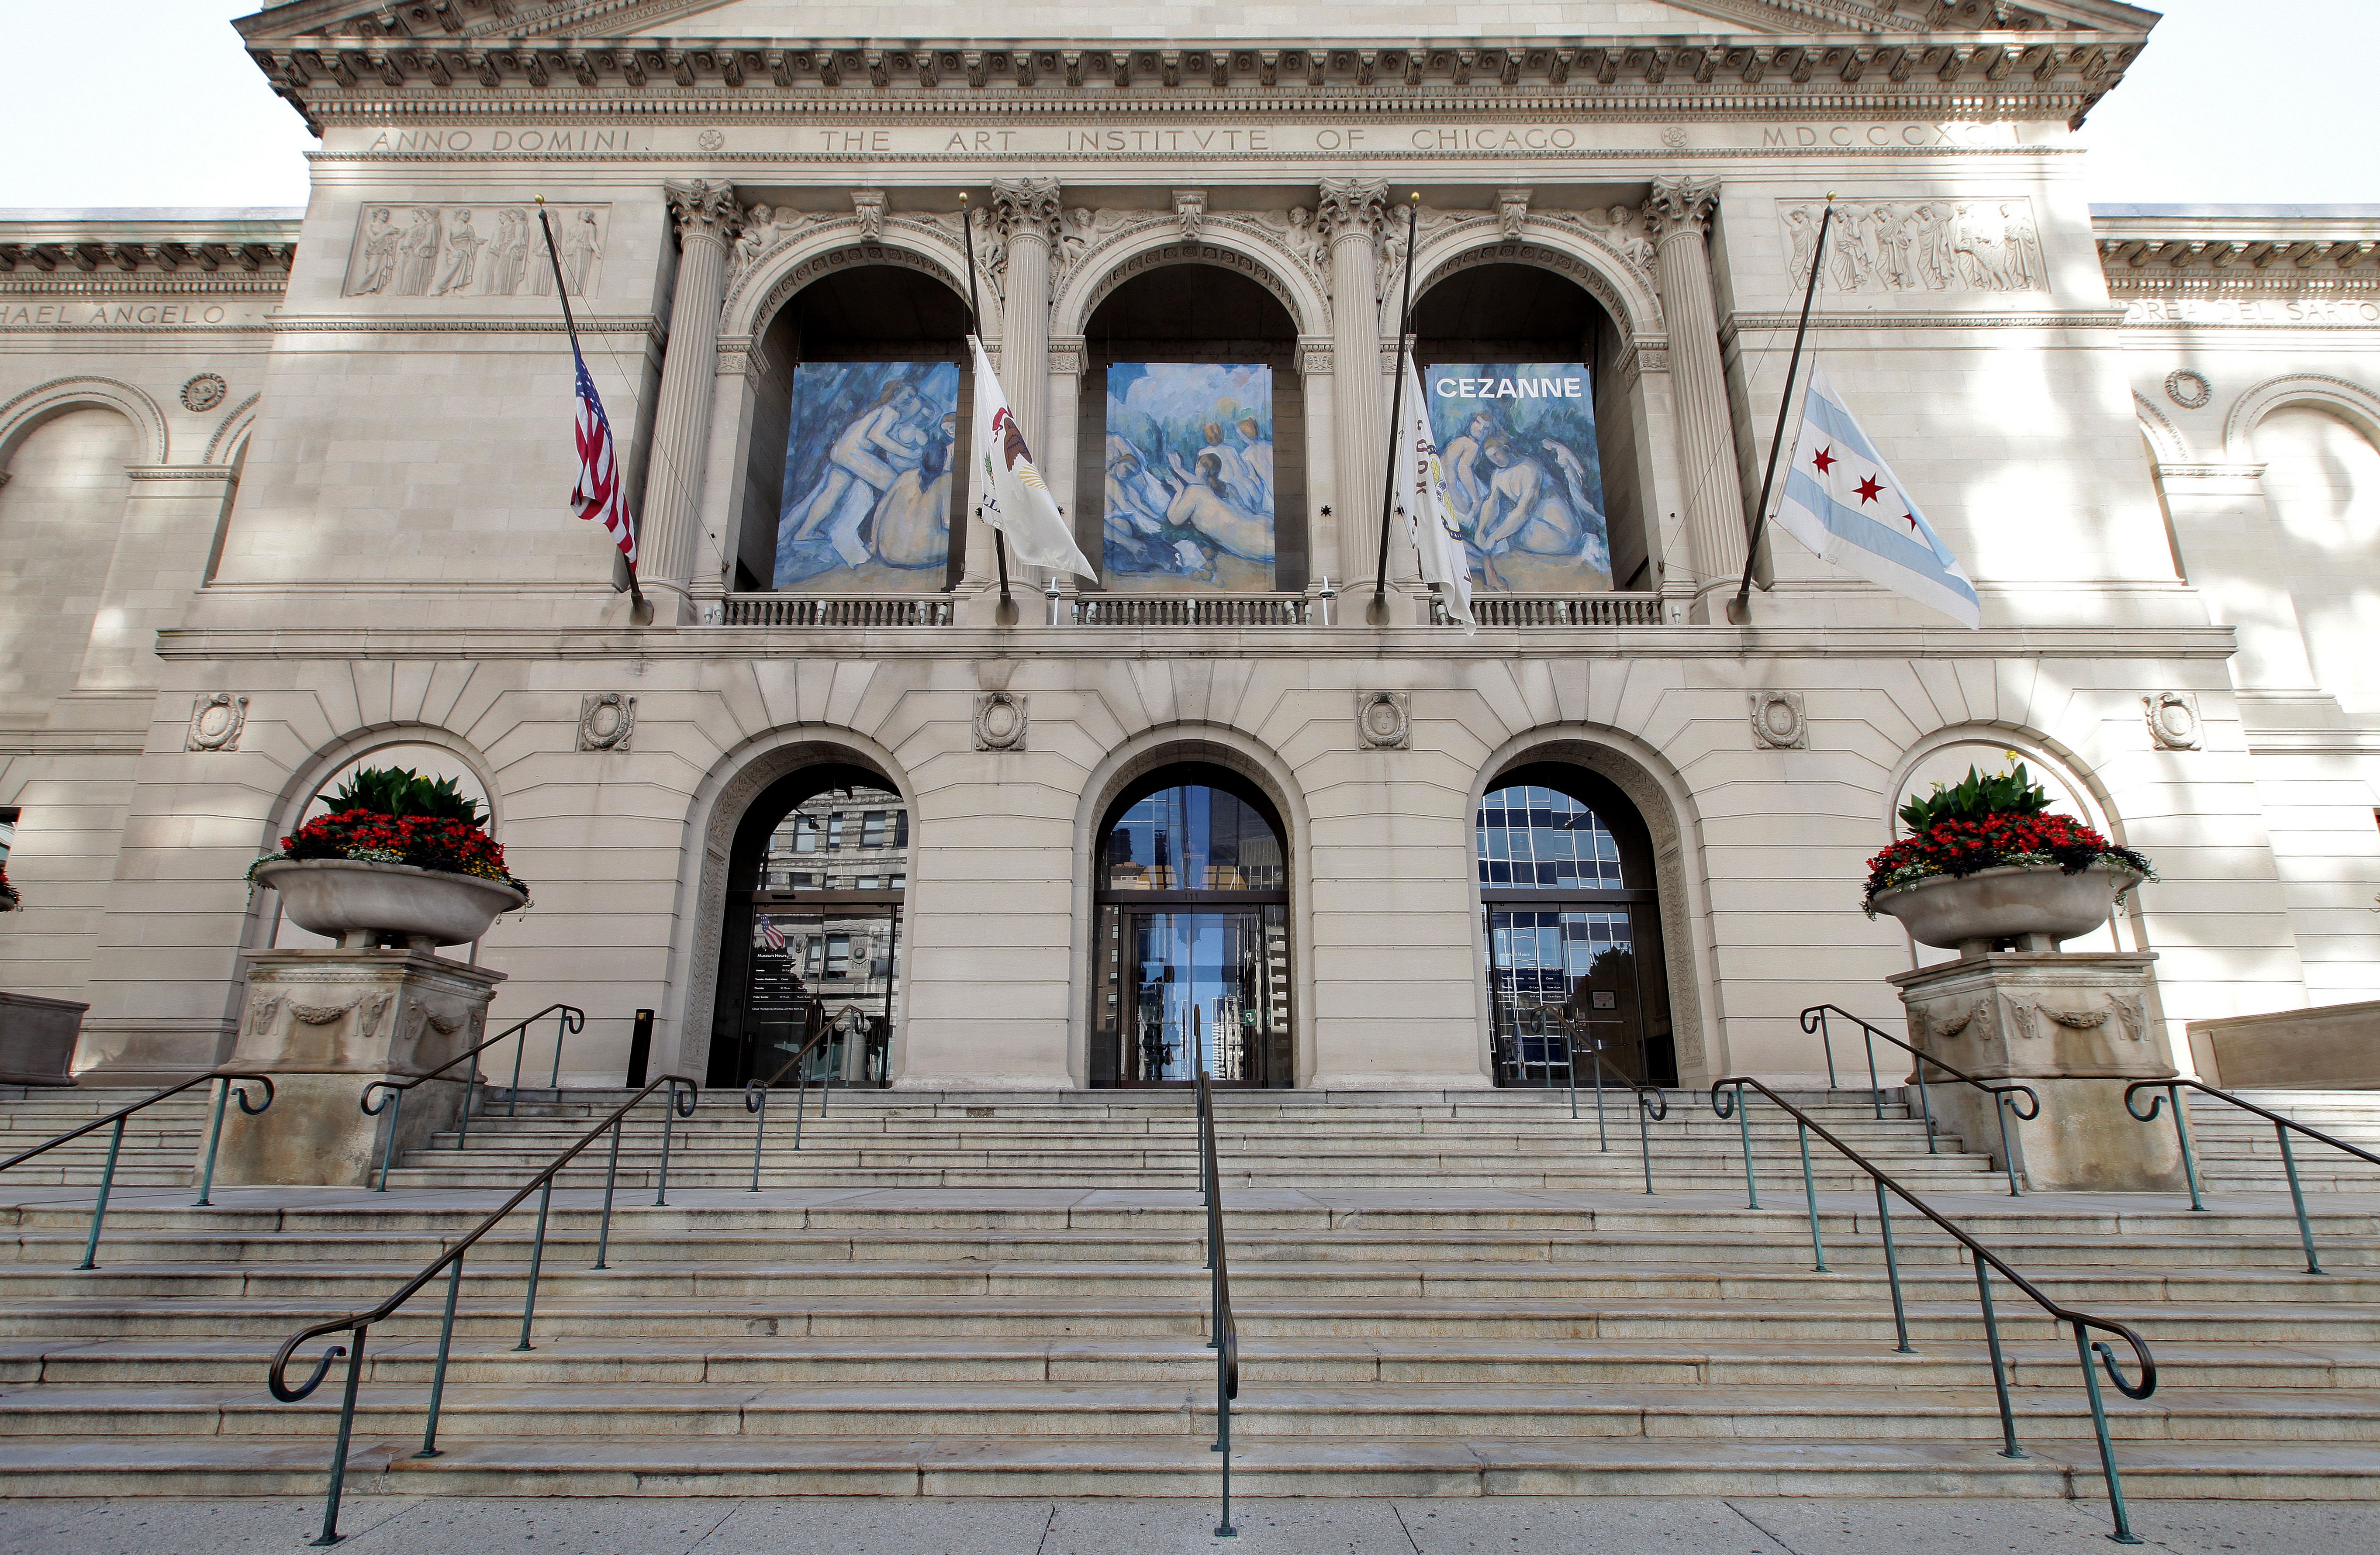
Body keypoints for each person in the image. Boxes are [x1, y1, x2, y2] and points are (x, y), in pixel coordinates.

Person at [781, 380, 930, 572]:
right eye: (907, 396)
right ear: (896, 393)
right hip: (854, 454)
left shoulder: (881, 410)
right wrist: (909, 453)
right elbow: (876, 437)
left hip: (841, 451)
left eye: (912, 398)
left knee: (831, 494)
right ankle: (886, 539)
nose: (909, 401)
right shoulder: (890, 412)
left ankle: (804, 532)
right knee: (896, 486)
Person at [1471, 437, 1586, 590]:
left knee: (1502, 536)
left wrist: (1494, 536)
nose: (1495, 461)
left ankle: (1489, 572)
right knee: (1494, 532)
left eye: (1497, 455)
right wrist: (1481, 529)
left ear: (1506, 449)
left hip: (1560, 533)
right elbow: (1491, 503)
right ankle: (1490, 573)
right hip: (1535, 526)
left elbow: (1524, 510)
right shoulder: (1498, 474)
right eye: (1490, 457)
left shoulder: (1530, 468)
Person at [871, 410, 956, 570]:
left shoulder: (905, 476)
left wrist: (874, 547)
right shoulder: (947, 480)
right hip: (919, 554)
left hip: (888, 552)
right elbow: (947, 521)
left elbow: (881, 509)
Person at [430, 209, 483, 295]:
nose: (467, 216)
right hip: (455, 251)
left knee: (460, 271)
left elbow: (473, 238)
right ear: (458, 214)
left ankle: (451, 290)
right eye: (465, 214)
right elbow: (446, 241)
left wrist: (479, 240)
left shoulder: (468, 227)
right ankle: (440, 287)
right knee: (452, 270)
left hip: (465, 250)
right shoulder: (451, 226)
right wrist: (453, 251)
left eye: (468, 214)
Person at [351, 208, 399, 294]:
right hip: (375, 252)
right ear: (377, 214)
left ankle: (372, 290)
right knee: (372, 272)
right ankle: (360, 290)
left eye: (387, 214)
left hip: (385, 253)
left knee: (380, 273)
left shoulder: (388, 227)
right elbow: (374, 239)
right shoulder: (370, 226)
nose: (386, 215)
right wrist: (387, 232)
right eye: (384, 213)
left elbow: (394, 239)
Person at [394, 207, 441, 296]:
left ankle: (410, 291)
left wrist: (419, 248)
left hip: (422, 252)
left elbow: (429, 240)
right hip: (418, 251)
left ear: (430, 214)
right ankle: (408, 291)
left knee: (411, 270)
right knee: (411, 270)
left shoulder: (432, 225)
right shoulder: (429, 225)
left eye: (425, 213)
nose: (423, 215)